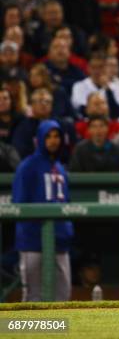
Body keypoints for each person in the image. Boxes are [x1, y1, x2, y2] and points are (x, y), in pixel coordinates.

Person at [12, 120, 73, 301]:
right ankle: (28, 330)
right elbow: (19, 204)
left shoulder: (61, 168)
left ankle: (57, 330)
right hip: (33, 241)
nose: (53, 141)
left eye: (57, 137)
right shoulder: (28, 167)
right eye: (49, 136)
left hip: (60, 240)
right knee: (34, 297)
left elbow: (67, 203)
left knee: (63, 295)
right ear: (39, 139)